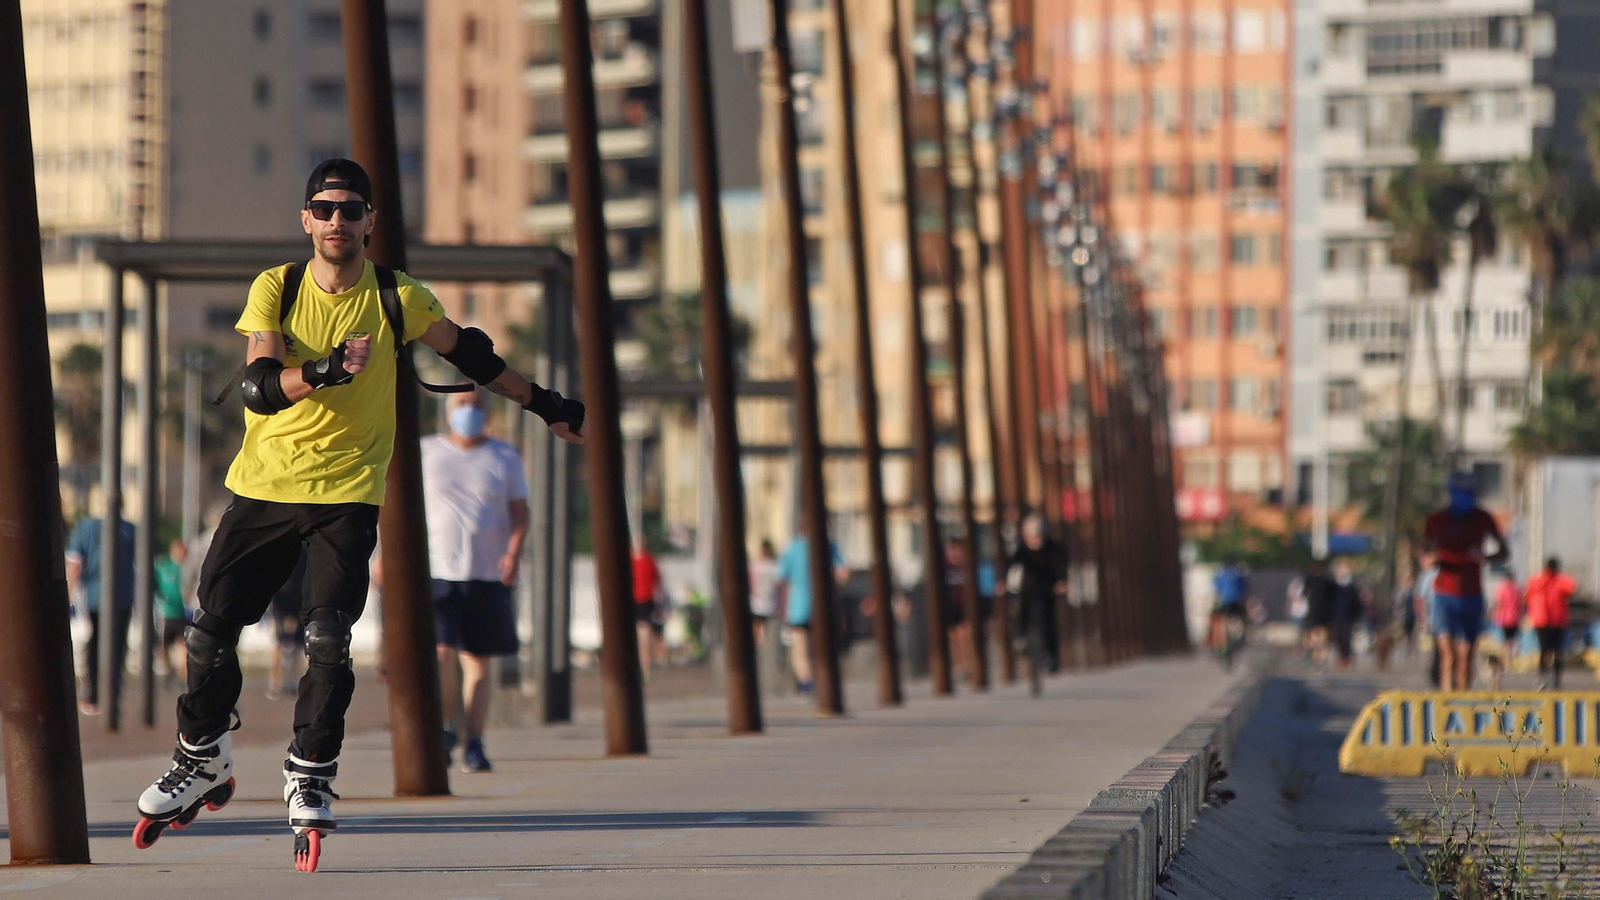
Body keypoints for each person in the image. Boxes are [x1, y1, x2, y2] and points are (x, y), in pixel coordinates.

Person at [133, 159, 586, 867]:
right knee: (209, 632)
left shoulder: (398, 296)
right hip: (264, 485)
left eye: (351, 210)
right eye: (325, 208)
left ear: (371, 221)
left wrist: (549, 405)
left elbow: (471, 354)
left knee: (325, 636)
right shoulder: (277, 287)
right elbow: (257, 388)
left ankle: (310, 771)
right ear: (306, 219)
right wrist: (325, 372)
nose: (338, 221)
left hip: (346, 494)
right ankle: (203, 756)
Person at [422, 388, 529, 774]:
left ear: (487, 412)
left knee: (479, 664)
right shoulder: (427, 452)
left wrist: (514, 552)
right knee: (442, 653)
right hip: (437, 571)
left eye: (476, 405)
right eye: (461, 404)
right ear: (447, 411)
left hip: (486, 572)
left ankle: (475, 739)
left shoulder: (504, 457)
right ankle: (448, 725)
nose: (469, 410)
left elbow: (520, 512)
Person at [1423, 471, 1509, 691]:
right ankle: (1445, 705)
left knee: (1465, 658)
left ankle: (1462, 704)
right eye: (1460, 493)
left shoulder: (1483, 518)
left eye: (1468, 493)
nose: (1465, 497)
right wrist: (1431, 559)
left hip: (1472, 595)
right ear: (1451, 494)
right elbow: (1424, 553)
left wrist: (1485, 557)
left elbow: (1504, 551)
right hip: (1443, 595)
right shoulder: (1437, 520)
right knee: (1448, 657)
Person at [65, 513, 136, 715]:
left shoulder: (84, 528)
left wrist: (68, 595)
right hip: (124, 594)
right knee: (119, 643)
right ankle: (114, 690)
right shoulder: (129, 528)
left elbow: (75, 563)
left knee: (96, 642)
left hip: (97, 595)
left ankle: (93, 694)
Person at [777, 530, 846, 694]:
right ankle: (823, 679)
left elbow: (781, 576)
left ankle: (807, 682)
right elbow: (843, 573)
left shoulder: (792, 548)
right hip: (823, 605)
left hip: (798, 606)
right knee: (821, 645)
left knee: (799, 647)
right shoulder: (829, 545)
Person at [1007, 513, 1067, 682]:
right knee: (1020, 611)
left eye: (1038, 536)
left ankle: (1052, 657)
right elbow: (1012, 563)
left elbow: (1060, 564)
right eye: (1031, 537)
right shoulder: (1022, 550)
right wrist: (1003, 581)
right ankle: (1020, 638)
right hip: (1028, 589)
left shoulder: (1053, 548)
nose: (1035, 540)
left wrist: (1061, 581)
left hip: (1047, 589)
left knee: (1049, 621)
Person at [1525, 557, 1577, 690]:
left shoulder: (1541, 580)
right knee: (1554, 651)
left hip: (1546, 621)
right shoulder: (1555, 581)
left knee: (1548, 650)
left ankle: (1546, 678)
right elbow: (1572, 588)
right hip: (1552, 621)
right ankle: (1552, 679)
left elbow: (1572, 588)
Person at [266, 553, 309, 701]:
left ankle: (281, 682)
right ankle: (282, 681)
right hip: (290, 601)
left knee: (285, 643)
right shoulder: (303, 552)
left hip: (285, 601)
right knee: (288, 643)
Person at [154, 539, 191, 687]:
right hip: (167, 612)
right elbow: (155, 583)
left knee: (184, 645)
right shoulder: (164, 566)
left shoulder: (187, 567)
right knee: (164, 645)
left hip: (183, 612)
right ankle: (169, 671)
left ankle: (183, 676)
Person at [631, 540, 666, 675]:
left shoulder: (634, 560)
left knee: (642, 632)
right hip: (647, 600)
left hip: (638, 600)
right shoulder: (650, 560)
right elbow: (658, 581)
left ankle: (643, 663)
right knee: (645, 631)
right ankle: (646, 663)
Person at [1486, 570, 1522, 690]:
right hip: (1515, 618)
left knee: (1503, 642)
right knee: (1511, 641)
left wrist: (1492, 614)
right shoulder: (1517, 589)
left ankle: (1504, 660)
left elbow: (1498, 602)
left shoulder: (1501, 589)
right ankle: (1508, 661)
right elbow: (1521, 604)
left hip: (1503, 619)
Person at [1301, 558, 1339, 669]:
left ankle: (1318, 656)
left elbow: (1303, 593)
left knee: (1316, 636)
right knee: (1322, 637)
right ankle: (1320, 656)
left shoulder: (1309, 580)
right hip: (1325, 614)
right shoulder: (1328, 582)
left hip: (1315, 613)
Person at [1211, 560, 1251, 653]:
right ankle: (1241, 637)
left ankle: (1225, 640)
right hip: (1237, 602)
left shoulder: (1220, 575)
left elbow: (1216, 591)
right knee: (1243, 618)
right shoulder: (1238, 574)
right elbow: (1245, 589)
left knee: (1224, 619)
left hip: (1225, 602)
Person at [749, 539, 780, 647]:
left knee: (757, 625)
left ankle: (758, 644)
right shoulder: (775, 566)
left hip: (757, 602)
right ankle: (763, 645)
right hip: (771, 603)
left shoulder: (755, 565)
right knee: (765, 628)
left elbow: (750, 582)